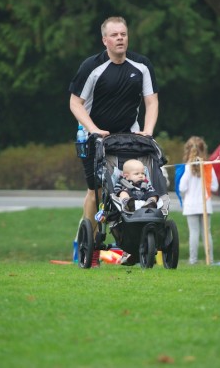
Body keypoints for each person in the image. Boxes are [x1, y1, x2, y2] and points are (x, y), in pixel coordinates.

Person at [69, 16, 159, 264]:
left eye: (124, 34)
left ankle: (130, 240)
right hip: (93, 138)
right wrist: (94, 129)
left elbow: (151, 101)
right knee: (96, 191)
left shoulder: (141, 65)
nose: (120, 38)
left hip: (129, 138)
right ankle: (89, 244)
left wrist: (148, 131)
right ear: (105, 40)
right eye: (115, 35)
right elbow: (75, 103)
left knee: (131, 186)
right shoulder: (92, 67)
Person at [179, 136, 218, 265]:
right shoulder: (208, 167)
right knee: (207, 232)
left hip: (191, 205)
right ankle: (210, 260)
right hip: (205, 204)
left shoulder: (187, 168)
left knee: (194, 233)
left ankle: (193, 260)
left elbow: (182, 187)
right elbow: (215, 186)